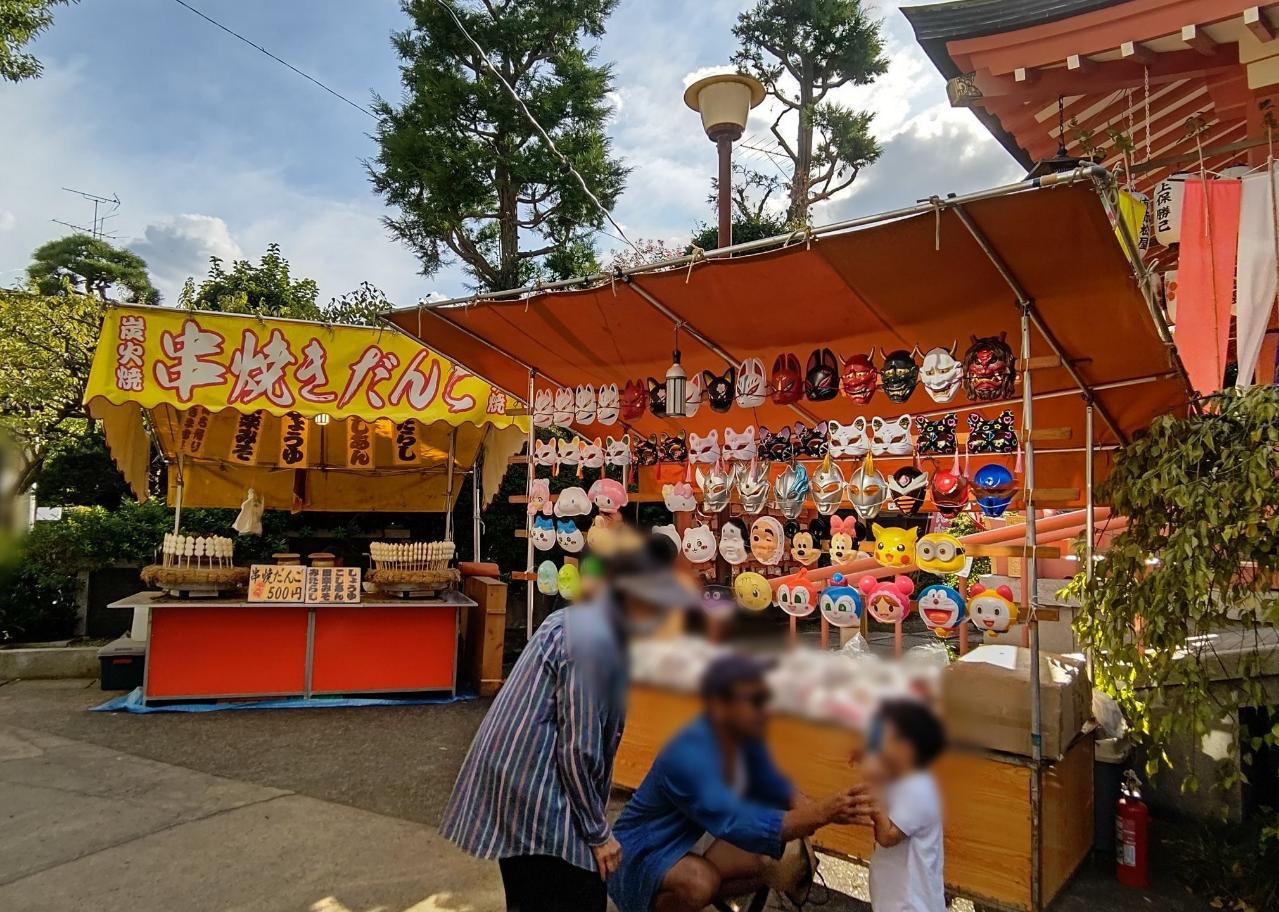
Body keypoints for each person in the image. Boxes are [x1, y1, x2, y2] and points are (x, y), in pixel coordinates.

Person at [439, 537, 699, 912]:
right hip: (531, 788)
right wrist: (597, 834)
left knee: (538, 895)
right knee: (578, 893)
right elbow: (579, 748)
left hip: (522, 784)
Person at [609, 653, 875, 912]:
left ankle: (699, 900)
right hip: (642, 852)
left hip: (699, 835)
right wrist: (822, 813)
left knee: (778, 864)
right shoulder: (684, 757)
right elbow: (739, 823)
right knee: (700, 882)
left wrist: (806, 806)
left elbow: (767, 773)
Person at [865, 699, 948, 912]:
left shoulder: (917, 789)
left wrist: (874, 804)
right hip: (895, 900)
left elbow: (888, 836)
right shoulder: (901, 781)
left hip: (911, 904)